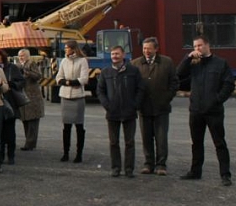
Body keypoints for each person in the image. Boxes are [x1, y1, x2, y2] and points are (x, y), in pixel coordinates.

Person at [177, 35, 235, 186]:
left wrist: (217, 100)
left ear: (208, 45)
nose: (197, 49)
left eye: (200, 45)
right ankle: (195, 171)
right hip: (196, 110)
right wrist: (188, 58)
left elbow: (228, 84)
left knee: (219, 143)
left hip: (214, 111)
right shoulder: (194, 63)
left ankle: (225, 175)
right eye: (195, 46)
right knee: (196, 143)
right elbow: (178, 74)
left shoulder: (220, 63)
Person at [131, 37, 178, 175]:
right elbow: (132, 85)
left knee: (161, 138)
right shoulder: (135, 64)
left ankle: (161, 165)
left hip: (161, 108)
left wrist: (166, 98)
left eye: (149, 48)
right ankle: (148, 164)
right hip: (144, 108)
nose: (146, 51)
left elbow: (174, 83)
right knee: (146, 138)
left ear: (156, 49)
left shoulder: (167, 62)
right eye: (144, 48)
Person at [97, 45, 145, 177]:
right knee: (114, 142)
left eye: (117, 54)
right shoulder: (105, 72)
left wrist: (135, 105)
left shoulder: (133, 71)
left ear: (123, 55)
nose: (115, 56)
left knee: (130, 142)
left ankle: (129, 169)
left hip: (129, 112)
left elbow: (140, 89)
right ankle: (116, 168)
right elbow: (100, 91)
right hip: (112, 113)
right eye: (112, 54)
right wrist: (107, 105)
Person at [55, 40, 89, 163]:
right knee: (66, 127)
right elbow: (58, 77)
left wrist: (69, 82)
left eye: (67, 48)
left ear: (73, 49)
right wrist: (66, 82)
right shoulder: (64, 61)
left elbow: (84, 79)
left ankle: (79, 154)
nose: (65, 50)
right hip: (65, 96)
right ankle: (65, 153)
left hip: (77, 97)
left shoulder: (82, 61)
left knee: (79, 126)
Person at [0, 50, 25, 165]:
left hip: (9, 102)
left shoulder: (11, 68)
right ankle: (0, 155)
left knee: (10, 131)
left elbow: (22, 81)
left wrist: (11, 84)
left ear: (2, 57)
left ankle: (11, 155)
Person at [16, 49, 44, 150]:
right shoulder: (18, 65)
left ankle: (30, 144)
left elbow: (38, 76)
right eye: (19, 55)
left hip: (33, 97)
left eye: (23, 55)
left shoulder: (31, 64)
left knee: (32, 121)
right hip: (23, 96)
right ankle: (28, 142)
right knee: (25, 120)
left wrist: (27, 73)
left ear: (28, 56)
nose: (21, 57)